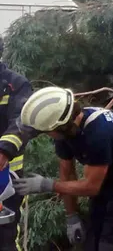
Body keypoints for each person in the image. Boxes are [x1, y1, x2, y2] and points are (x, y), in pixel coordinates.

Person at [14, 86, 113, 251]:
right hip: (109, 178)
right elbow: (67, 173)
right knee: (92, 242)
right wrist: (72, 216)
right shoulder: (65, 131)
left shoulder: (98, 134)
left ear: (59, 127)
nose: (47, 135)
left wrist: (47, 185)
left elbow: (91, 186)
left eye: (46, 132)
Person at [0, 37, 34, 251]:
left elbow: (22, 122)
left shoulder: (15, 84)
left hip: (7, 177)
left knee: (5, 235)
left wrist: (4, 150)